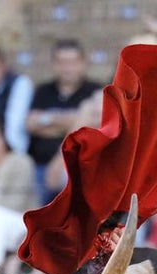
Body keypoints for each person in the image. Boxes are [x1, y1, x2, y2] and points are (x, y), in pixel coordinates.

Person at [25, 39, 103, 205]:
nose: (67, 68)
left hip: (79, 166)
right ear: (53, 64)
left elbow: (94, 125)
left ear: (83, 63)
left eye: (72, 62)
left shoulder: (95, 91)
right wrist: (77, 120)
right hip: (40, 166)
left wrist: (48, 120)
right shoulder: (42, 91)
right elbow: (31, 124)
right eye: (61, 62)